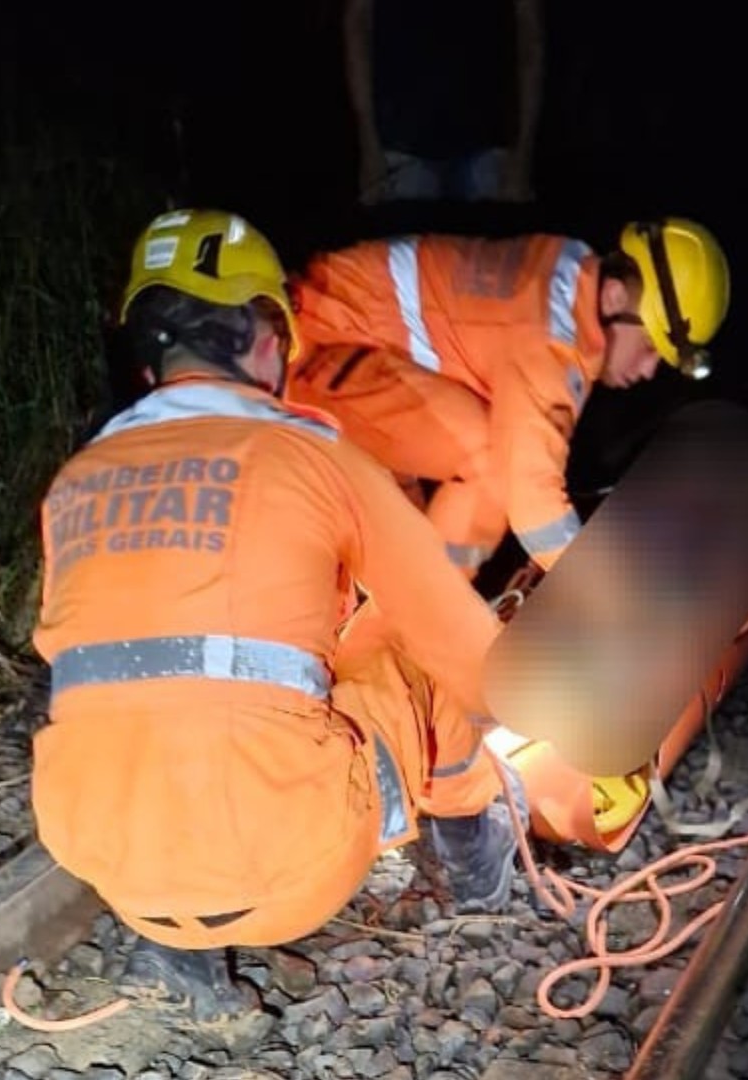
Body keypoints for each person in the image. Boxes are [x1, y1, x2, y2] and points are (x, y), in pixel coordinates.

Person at [30, 208, 527, 1024]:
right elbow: (468, 653)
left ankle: (174, 938)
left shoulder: (75, 479)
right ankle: (477, 858)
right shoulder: (312, 452)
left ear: (147, 353)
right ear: (266, 339)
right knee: (411, 645)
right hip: (292, 870)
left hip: (111, 866)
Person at [283, 218, 730, 578]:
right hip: (315, 353)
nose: (649, 370)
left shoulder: (569, 270)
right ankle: (429, 614)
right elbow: (533, 502)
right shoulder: (551, 342)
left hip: (340, 342)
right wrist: (613, 592)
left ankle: (405, 609)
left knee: (419, 511)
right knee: (490, 463)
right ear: (613, 295)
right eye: (651, 346)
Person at [343, 0, 544, 205]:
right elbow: (357, 25)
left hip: (489, 147)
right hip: (401, 146)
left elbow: (530, 38)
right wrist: (368, 143)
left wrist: (523, 155)